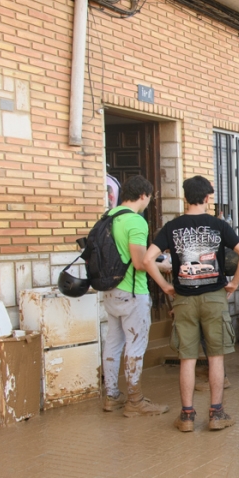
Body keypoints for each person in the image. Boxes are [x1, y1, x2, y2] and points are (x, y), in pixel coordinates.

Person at [149, 176, 239, 432]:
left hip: (183, 299)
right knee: (216, 357)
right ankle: (216, 415)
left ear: (185, 197)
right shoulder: (218, 225)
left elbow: (148, 260)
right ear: (207, 198)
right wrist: (234, 283)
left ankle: (186, 417)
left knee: (187, 358)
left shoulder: (172, 227)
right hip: (215, 297)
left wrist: (166, 287)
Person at [101, 175, 169, 418]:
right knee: (135, 344)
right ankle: (135, 400)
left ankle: (111, 396)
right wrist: (163, 268)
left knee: (113, 342)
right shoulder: (136, 222)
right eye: (149, 198)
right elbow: (141, 263)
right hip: (132, 292)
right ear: (144, 195)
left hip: (110, 290)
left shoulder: (108, 217)